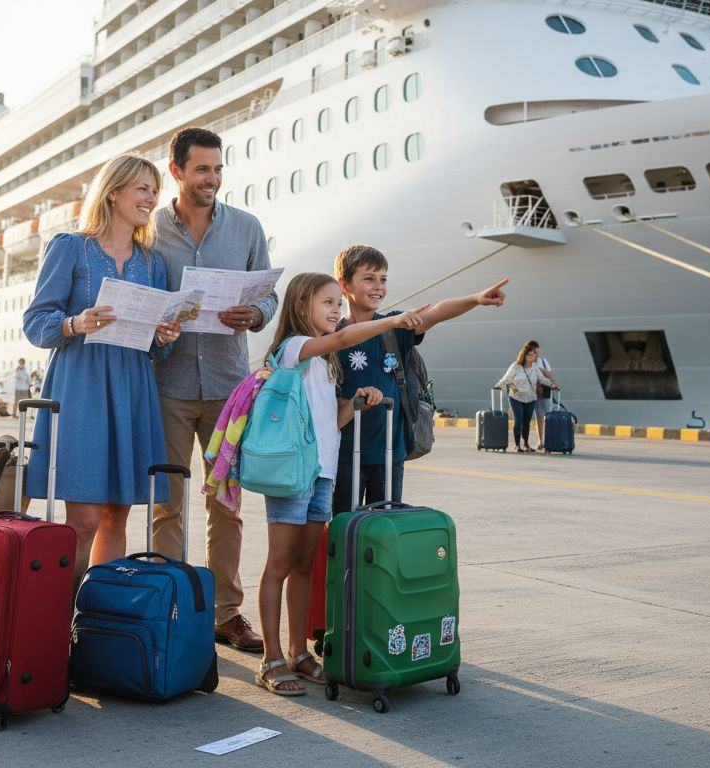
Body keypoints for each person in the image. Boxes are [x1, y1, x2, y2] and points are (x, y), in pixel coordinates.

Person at [251, 272, 427, 695]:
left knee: (304, 564)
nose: (335, 312)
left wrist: (355, 402)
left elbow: (332, 421)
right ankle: (271, 658)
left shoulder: (327, 364)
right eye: (327, 304)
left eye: (336, 303)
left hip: (322, 474)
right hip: (292, 474)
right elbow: (339, 341)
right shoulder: (295, 349)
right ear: (300, 308)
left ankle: (299, 652)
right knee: (279, 564)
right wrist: (390, 322)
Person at [22, 149, 182, 592]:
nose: (151, 199)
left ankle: (94, 620)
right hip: (82, 387)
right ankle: (58, 613)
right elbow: (35, 323)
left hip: (132, 387)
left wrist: (163, 337)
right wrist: (75, 323)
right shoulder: (71, 247)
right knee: (85, 518)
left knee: (117, 511)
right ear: (113, 193)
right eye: (143, 189)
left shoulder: (153, 262)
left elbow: (152, 347)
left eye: (155, 191)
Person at [151, 127, 277, 653]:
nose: (213, 179)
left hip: (229, 387)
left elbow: (269, 299)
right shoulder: (149, 230)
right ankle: (170, 608)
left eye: (218, 169)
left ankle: (226, 613)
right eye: (202, 169)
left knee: (226, 504)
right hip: (169, 384)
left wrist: (257, 313)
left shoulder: (246, 227)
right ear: (176, 172)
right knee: (167, 504)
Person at [331, 245, 508, 512]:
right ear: (344, 285)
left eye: (383, 279)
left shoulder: (396, 326)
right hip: (344, 453)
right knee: (343, 526)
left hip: (390, 452)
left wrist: (477, 299)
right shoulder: (334, 337)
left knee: (385, 527)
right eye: (369, 278)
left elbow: (436, 312)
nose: (378, 286)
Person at [496, 340, 549, 452]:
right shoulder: (515, 366)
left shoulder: (534, 367)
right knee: (518, 421)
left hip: (530, 398)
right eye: (530, 354)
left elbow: (542, 379)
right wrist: (498, 385)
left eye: (533, 354)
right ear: (524, 356)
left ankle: (525, 443)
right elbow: (506, 378)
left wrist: (552, 385)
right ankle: (517, 444)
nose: (533, 356)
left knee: (526, 422)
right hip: (516, 397)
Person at [532, 348, 561, 446]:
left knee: (548, 417)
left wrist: (554, 384)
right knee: (539, 418)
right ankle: (541, 441)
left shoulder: (543, 362)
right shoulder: (528, 363)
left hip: (545, 391)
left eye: (537, 352)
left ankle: (548, 440)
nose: (536, 354)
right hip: (534, 392)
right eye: (534, 352)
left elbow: (547, 374)